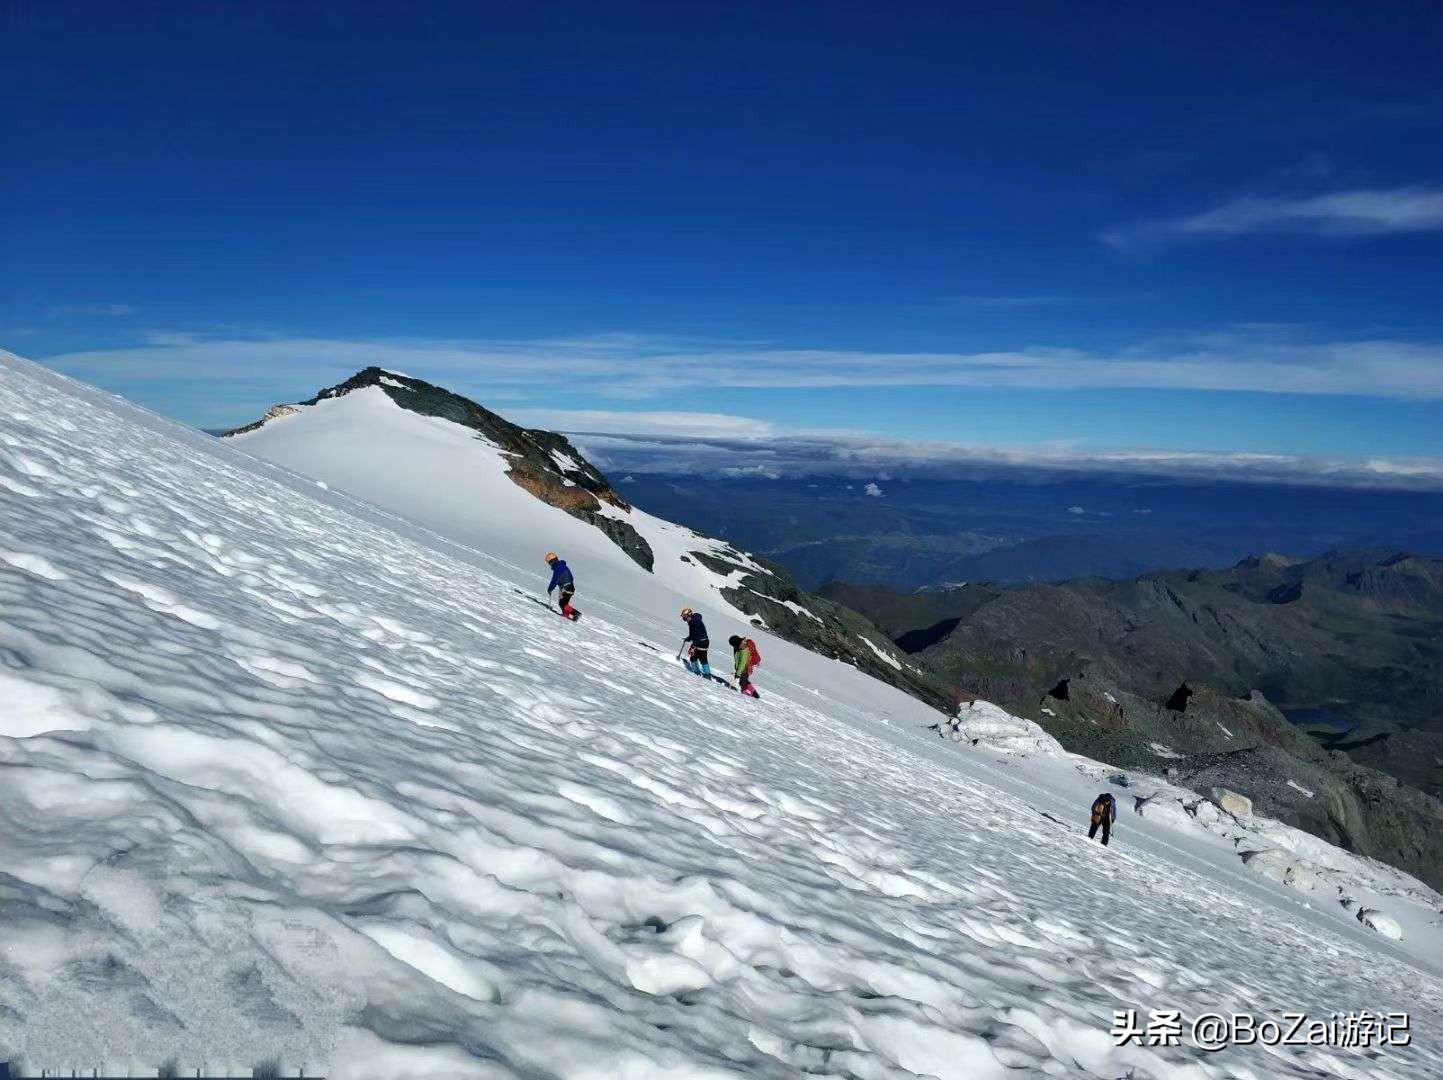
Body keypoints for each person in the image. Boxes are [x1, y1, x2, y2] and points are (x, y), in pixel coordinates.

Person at [545, 552, 579, 621]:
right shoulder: (562, 566)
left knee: (562, 603)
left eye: (549, 562)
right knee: (563, 603)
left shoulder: (558, 568)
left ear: (552, 561)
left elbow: (555, 579)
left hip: (567, 587)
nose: (549, 564)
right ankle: (565, 614)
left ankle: (575, 613)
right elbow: (569, 577)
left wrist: (550, 589)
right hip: (569, 587)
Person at [680, 607, 711, 676]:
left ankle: (700, 674)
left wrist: (693, 646)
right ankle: (705, 674)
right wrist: (688, 639)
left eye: (684, 617)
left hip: (701, 642)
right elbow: (693, 634)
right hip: (702, 642)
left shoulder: (695, 622)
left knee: (696, 658)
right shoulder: (692, 622)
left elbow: (698, 635)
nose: (684, 619)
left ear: (688, 615)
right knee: (700, 658)